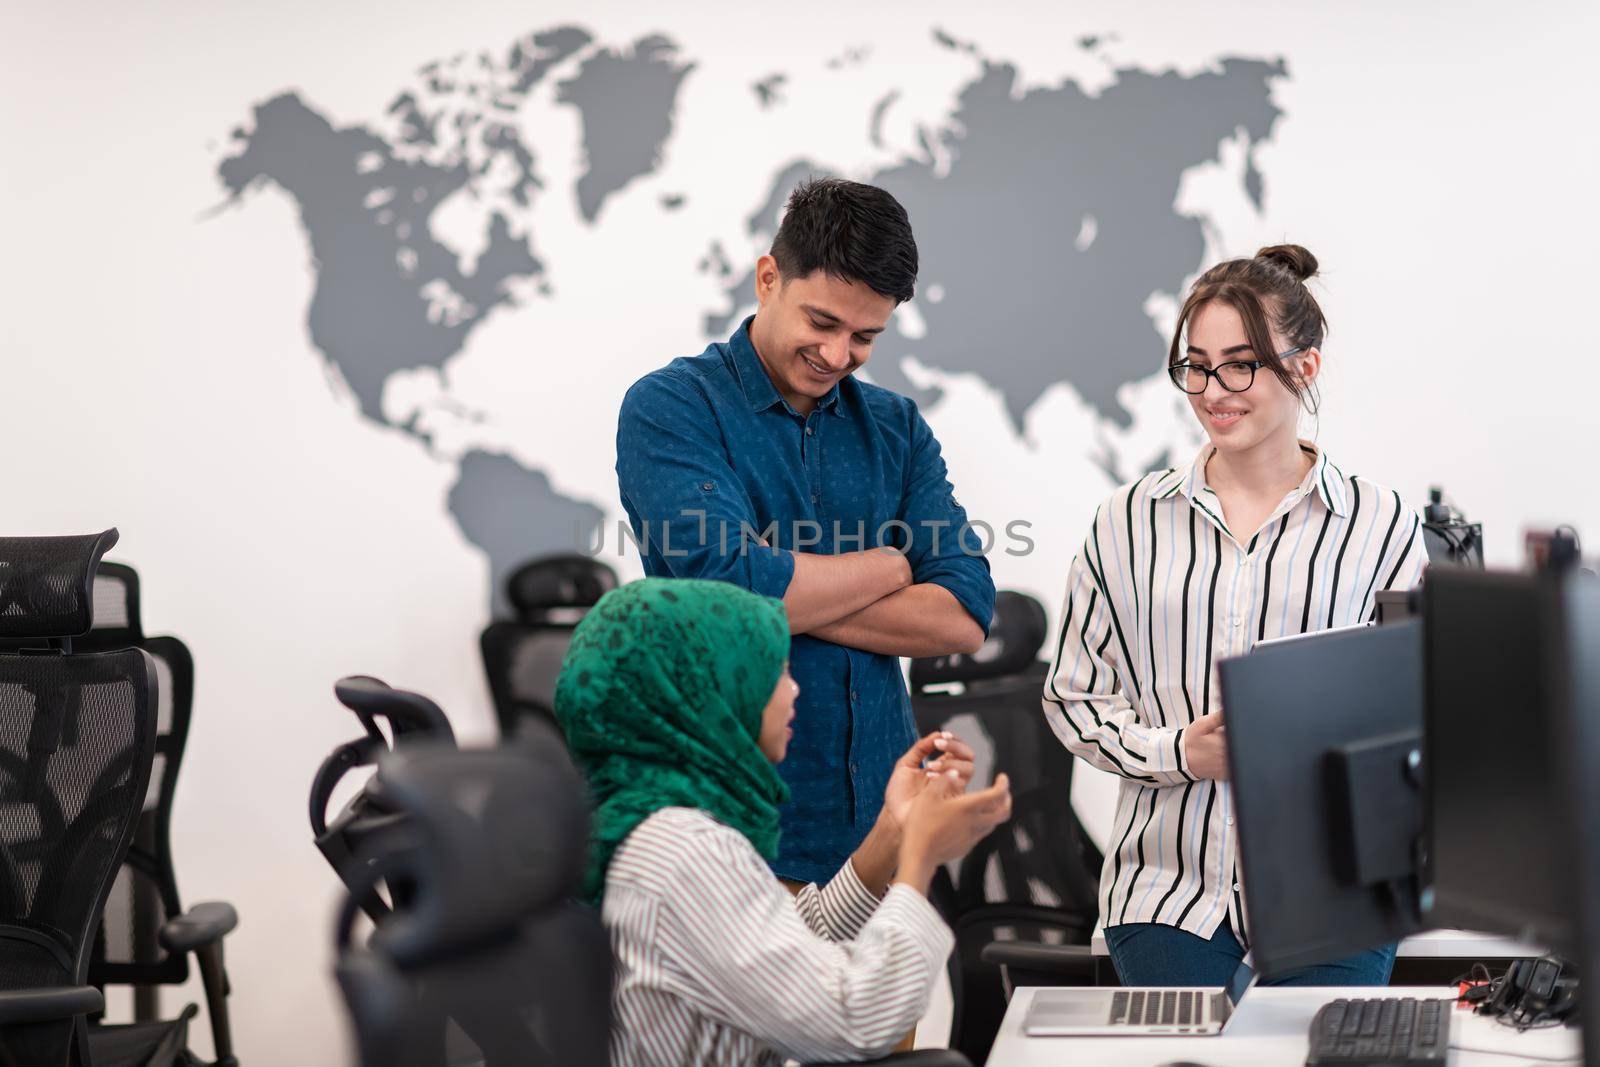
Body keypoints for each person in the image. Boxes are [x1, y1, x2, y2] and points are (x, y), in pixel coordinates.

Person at [1041, 245, 1428, 987]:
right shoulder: (1126, 522)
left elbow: (1418, 714)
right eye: (1197, 365)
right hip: (1170, 891)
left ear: (1305, 367)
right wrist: (1181, 750)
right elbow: (1072, 697)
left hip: (1335, 888)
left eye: (1240, 364)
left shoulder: (1380, 524)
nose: (1214, 390)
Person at [615, 178, 995, 886]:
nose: (837, 353)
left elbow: (966, 615)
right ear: (768, 278)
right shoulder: (671, 408)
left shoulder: (897, 427)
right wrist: (889, 565)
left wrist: (787, 590)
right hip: (738, 847)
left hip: (887, 841)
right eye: (821, 322)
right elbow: (727, 586)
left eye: (864, 337)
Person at [555, 577, 1011, 1066]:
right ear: (709, 695)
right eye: (772, 671)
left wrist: (892, 832)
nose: (794, 689)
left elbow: (787, 944)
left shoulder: (648, 825)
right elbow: (857, 1023)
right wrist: (920, 860)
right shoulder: (682, 852)